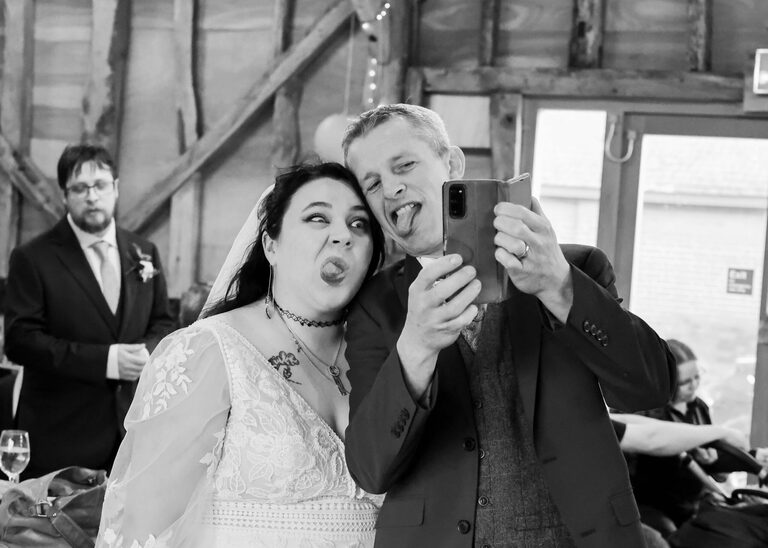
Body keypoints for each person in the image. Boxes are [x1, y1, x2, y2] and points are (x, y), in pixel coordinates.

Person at [341, 103, 677, 548]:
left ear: (453, 164)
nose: (392, 188)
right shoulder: (374, 305)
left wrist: (559, 286)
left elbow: (650, 388)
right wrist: (416, 347)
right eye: (373, 183)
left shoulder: (575, 267)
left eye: (404, 165)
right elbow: (370, 470)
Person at [96, 162, 386, 547]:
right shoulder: (209, 351)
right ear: (271, 245)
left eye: (359, 224)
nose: (342, 236)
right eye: (318, 218)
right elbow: (144, 529)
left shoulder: (386, 356)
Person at [3, 144, 174, 478]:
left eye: (100, 186)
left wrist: (147, 352)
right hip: (61, 437)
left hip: (131, 435)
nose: (91, 196)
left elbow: (164, 321)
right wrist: (107, 361)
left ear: (116, 188)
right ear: (65, 195)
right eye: (80, 188)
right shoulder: (33, 258)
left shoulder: (144, 251)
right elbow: (20, 341)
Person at [629, 338, 766, 536]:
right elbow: (662, 453)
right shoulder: (644, 414)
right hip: (653, 506)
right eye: (685, 382)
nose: (694, 386)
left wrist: (747, 458)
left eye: (697, 377)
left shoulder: (699, 408)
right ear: (665, 380)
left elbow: (716, 471)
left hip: (692, 503)